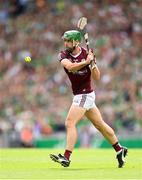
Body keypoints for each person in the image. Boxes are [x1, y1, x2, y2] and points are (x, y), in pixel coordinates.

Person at [50, 30, 128, 168]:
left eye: (68, 40)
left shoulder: (88, 55)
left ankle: (66, 157)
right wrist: (86, 62)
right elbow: (70, 67)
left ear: (75, 41)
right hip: (80, 95)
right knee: (100, 125)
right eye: (65, 40)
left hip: (85, 94)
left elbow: (97, 77)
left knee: (69, 122)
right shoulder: (63, 54)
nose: (65, 43)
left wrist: (92, 64)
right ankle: (119, 149)